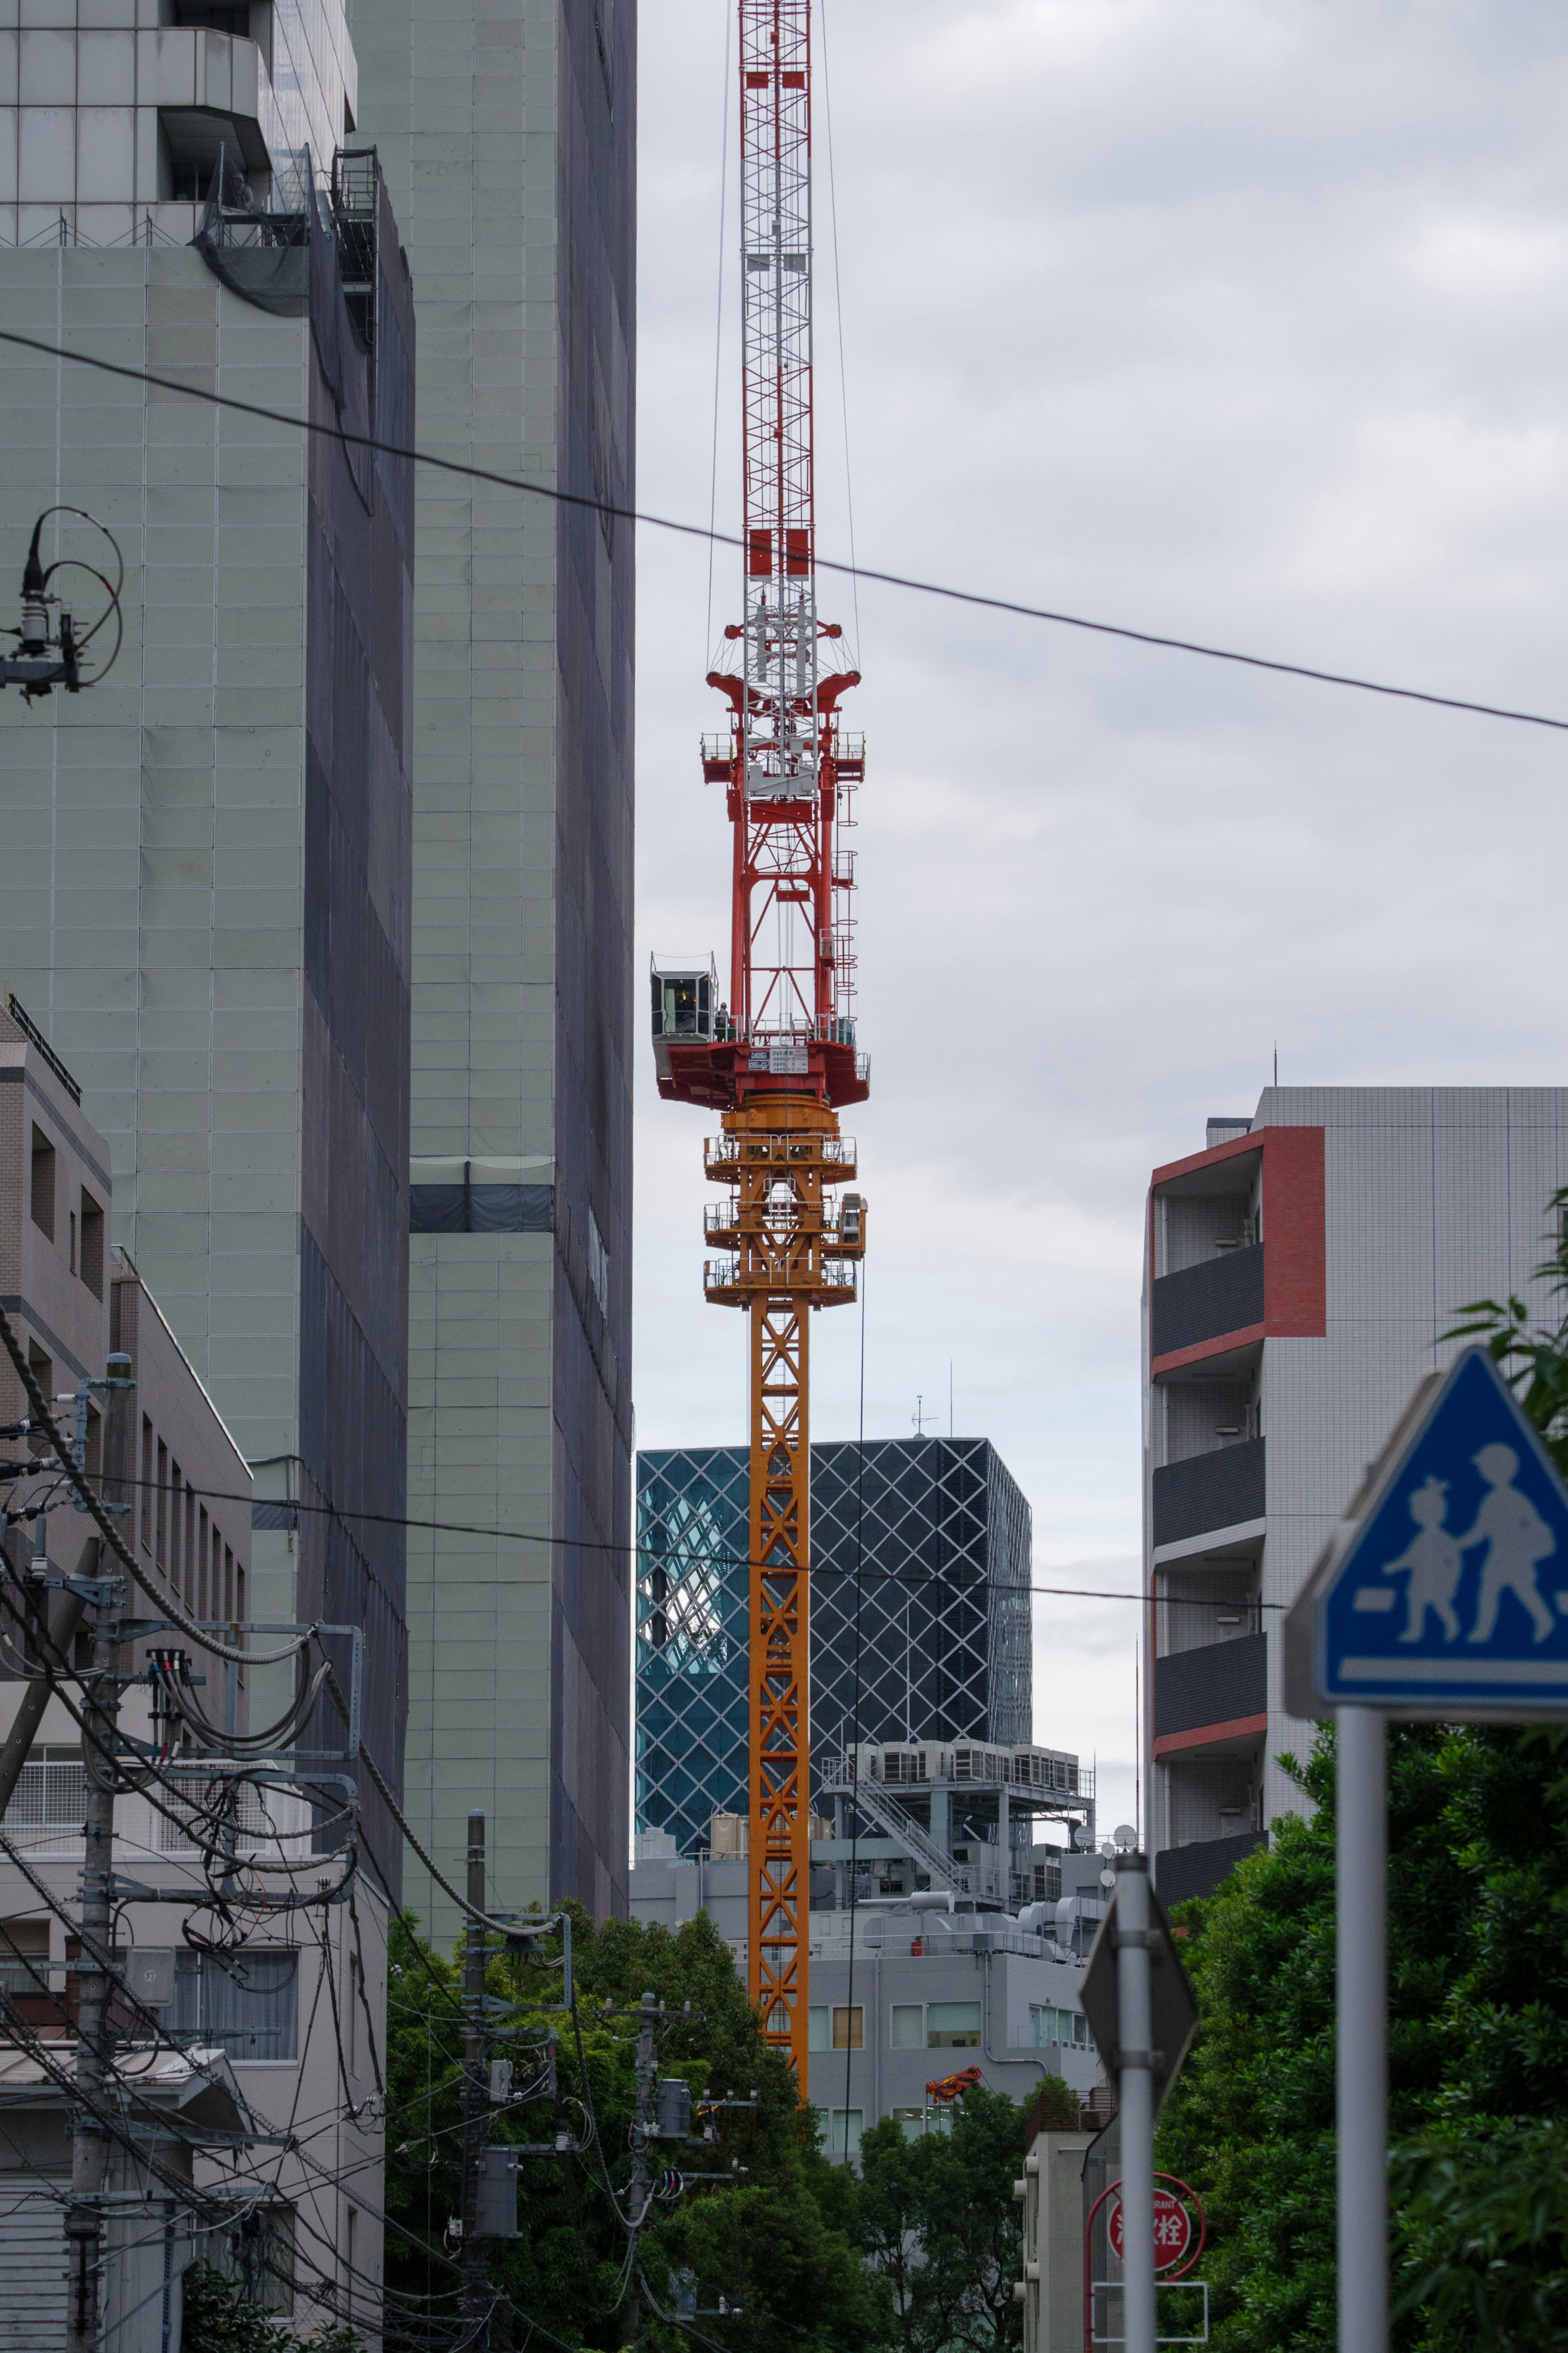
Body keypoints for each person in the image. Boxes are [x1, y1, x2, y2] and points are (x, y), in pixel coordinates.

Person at [1456, 1443, 1557, 1645]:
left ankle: (1543, 1621)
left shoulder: (1507, 1499)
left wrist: (1458, 1544)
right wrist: (1458, 1544)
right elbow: (1480, 1532)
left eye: (1484, 1467)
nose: (1482, 1472)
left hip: (1514, 1555)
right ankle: (1484, 1630)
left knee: (1516, 1590)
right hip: (1501, 1556)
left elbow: (1480, 1532)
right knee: (1494, 1590)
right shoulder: (1498, 1499)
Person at [1381, 1474, 1463, 1643]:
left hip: (1438, 1581)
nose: (1414, 1513)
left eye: (1417, 1509)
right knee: (1415, 1602)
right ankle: (1415, 1631)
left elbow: (1454, 1562)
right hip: (1420, 1581)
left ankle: (1453, 1629)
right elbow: (1410, 1558)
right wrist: (1394, 1567)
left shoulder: (1443, 1539)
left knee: (1441, 1605)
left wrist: (1451, 1580)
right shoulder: (1421, 1538)